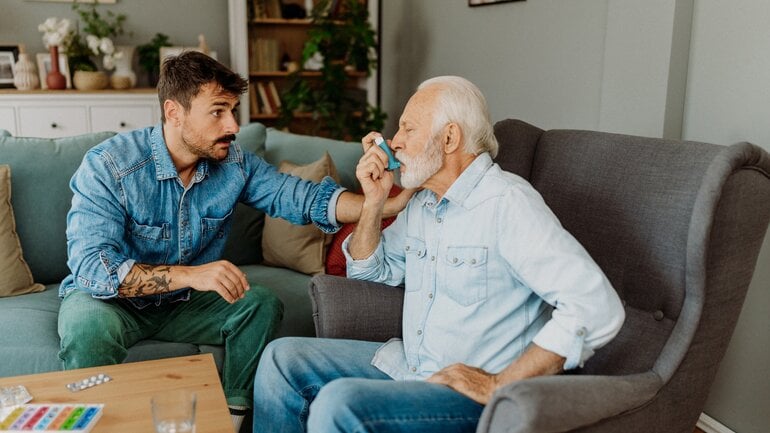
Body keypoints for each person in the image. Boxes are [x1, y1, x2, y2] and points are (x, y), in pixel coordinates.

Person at [57, 51, 411, 432]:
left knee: (258, 304)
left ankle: (230, 419)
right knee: (86, 328)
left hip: (182, 305)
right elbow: (93, 268)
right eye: (218, 111)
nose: (233, 125)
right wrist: (190, 276)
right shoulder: (109, 165)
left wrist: (382, 202)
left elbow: (302, 198)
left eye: (234, 110)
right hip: (112, 302)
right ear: (174, 112)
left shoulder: (234, 163)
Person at [252, 76, 626, 433]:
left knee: (340, 402)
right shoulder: (424, 204)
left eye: (407, 129)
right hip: (414, 370)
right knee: (282, 359)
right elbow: (368, 271)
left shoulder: (507, 203)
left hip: (469, 400)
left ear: (449, 138)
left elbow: (596, 306)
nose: (393, 142)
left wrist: (500, 384)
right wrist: (375, 201)